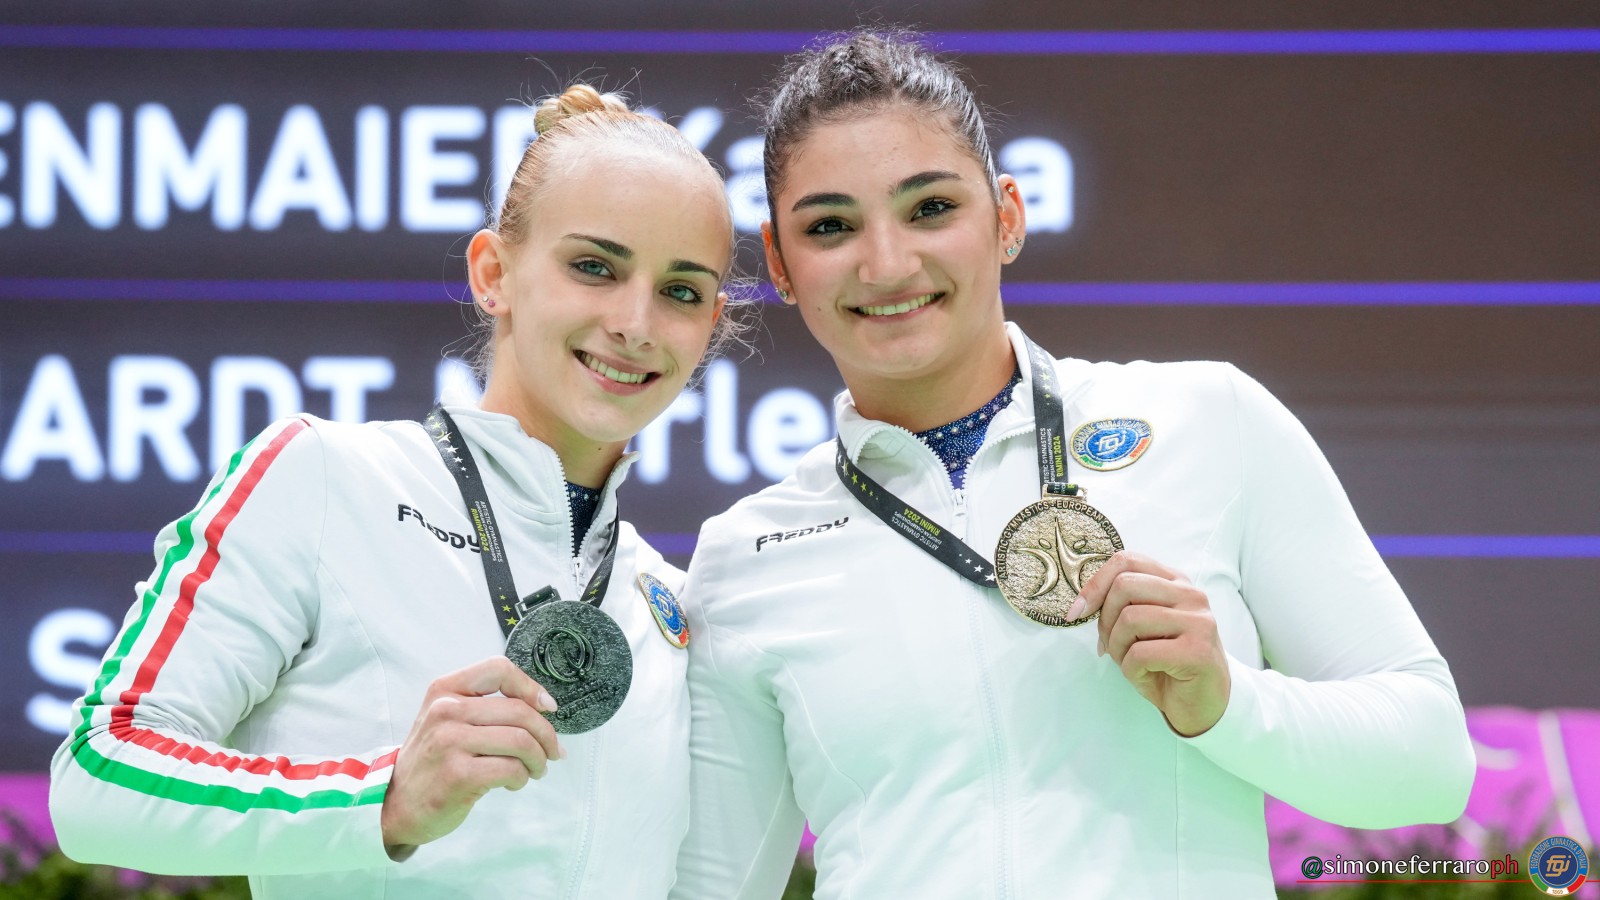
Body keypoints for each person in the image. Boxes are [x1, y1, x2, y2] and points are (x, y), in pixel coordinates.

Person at [671, 31, 1475, 899]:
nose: (888, 263)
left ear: (1008, 216)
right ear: (781, 264)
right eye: (830, 226)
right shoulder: (746, 558)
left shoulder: (1211, 421)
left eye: (930, 208)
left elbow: (1433, 766)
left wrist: (1229, 703)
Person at [50, 84, 737, 899]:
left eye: (681, 291)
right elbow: (97, 775)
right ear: (493, 273)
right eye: (594, 267)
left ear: (710, 326)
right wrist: (382, 796)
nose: (636, 323)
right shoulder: (324, 479)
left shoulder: (667, 605)